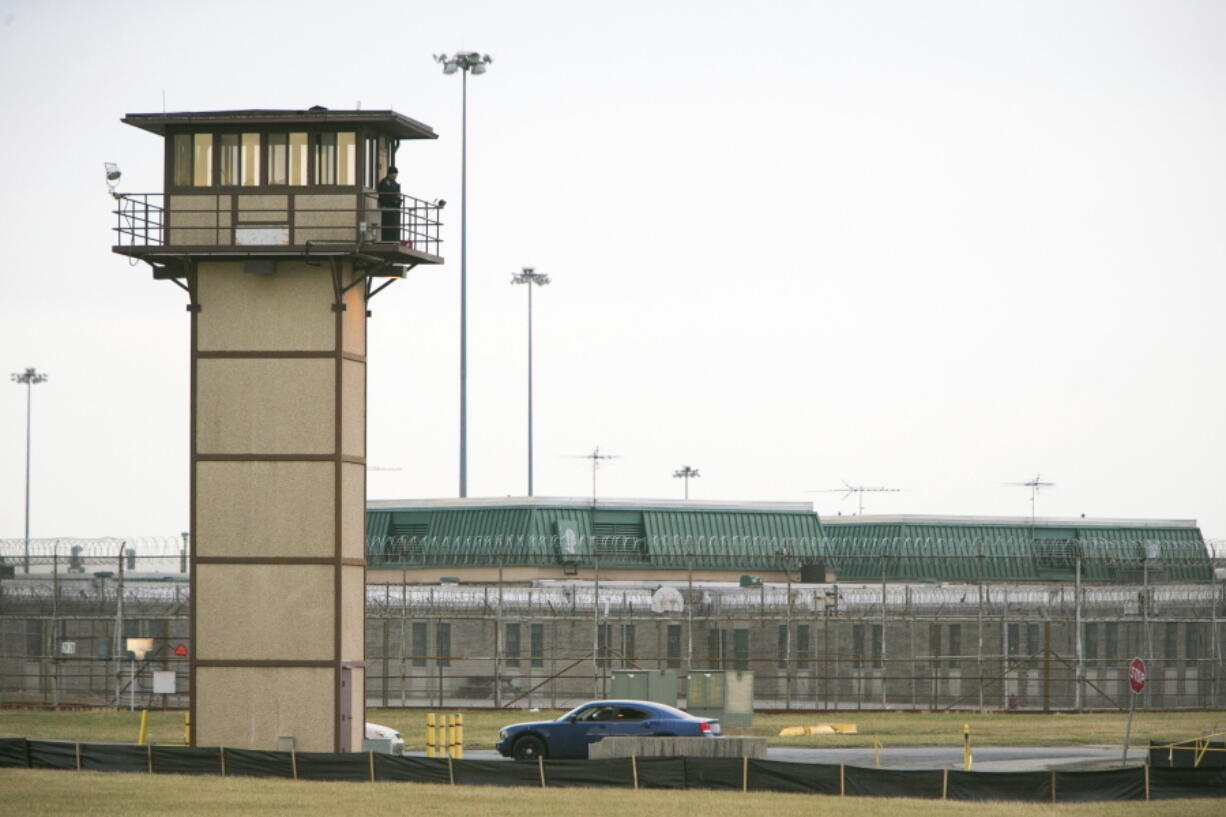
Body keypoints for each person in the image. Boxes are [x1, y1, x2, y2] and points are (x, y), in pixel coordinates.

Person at [377, 166, 402, 241]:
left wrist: (398, 200)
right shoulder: (384, 182)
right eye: (394, 173)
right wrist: (395, 199)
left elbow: (397, 196)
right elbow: (384, 195)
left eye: (396, 174)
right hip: (386, 208)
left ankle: (394, 240)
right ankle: (387, 240)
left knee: (393, 228)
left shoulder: (396, 184)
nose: (395, 175)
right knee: (387, 227)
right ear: (390, 174)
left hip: (394, 210)